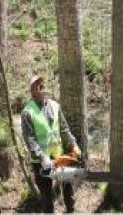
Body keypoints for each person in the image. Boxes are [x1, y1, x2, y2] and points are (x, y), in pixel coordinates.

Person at [21, 75, 81, 213]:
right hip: (41, 162)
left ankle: (71, 211)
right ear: (32, 90)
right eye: (37, 84)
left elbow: (64, 129)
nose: (41, 85)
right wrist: (42, 158)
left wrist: (73, 144)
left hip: (59, 157)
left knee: (68, 188)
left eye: (41, 83)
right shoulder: (27, 113)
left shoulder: (55, 106)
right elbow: (30, 140)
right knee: (47, 197)